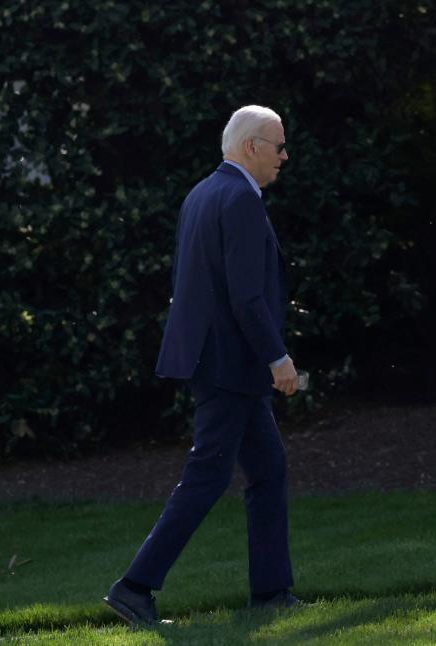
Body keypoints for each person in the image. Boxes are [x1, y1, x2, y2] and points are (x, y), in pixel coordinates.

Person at [103, 105, 301, 627]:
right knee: (208, 475)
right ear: (251, 147)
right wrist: (277, 357)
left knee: (267, 469)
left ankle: (273, 591)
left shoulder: (202, 193)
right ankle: (134, 586)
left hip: (215, 360)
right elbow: (246, 298)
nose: (284, 156)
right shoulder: (238, 199)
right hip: (229, 364)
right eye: (278, 146)